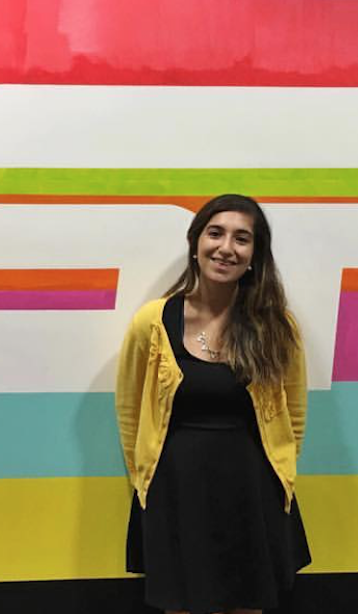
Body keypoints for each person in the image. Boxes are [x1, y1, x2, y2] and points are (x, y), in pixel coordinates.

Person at [115, 194, 311, 614]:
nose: (226, 248)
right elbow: (130, 410)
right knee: (181, 604)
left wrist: (282, 474)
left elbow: (294, 411)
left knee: (247, 604)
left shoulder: (276, 325)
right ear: (196, 242)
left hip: (253, 488)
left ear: (255, 255)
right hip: (175, 489)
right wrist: (144, 481)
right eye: (215, 233)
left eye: (242, 238)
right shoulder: (153, 321)